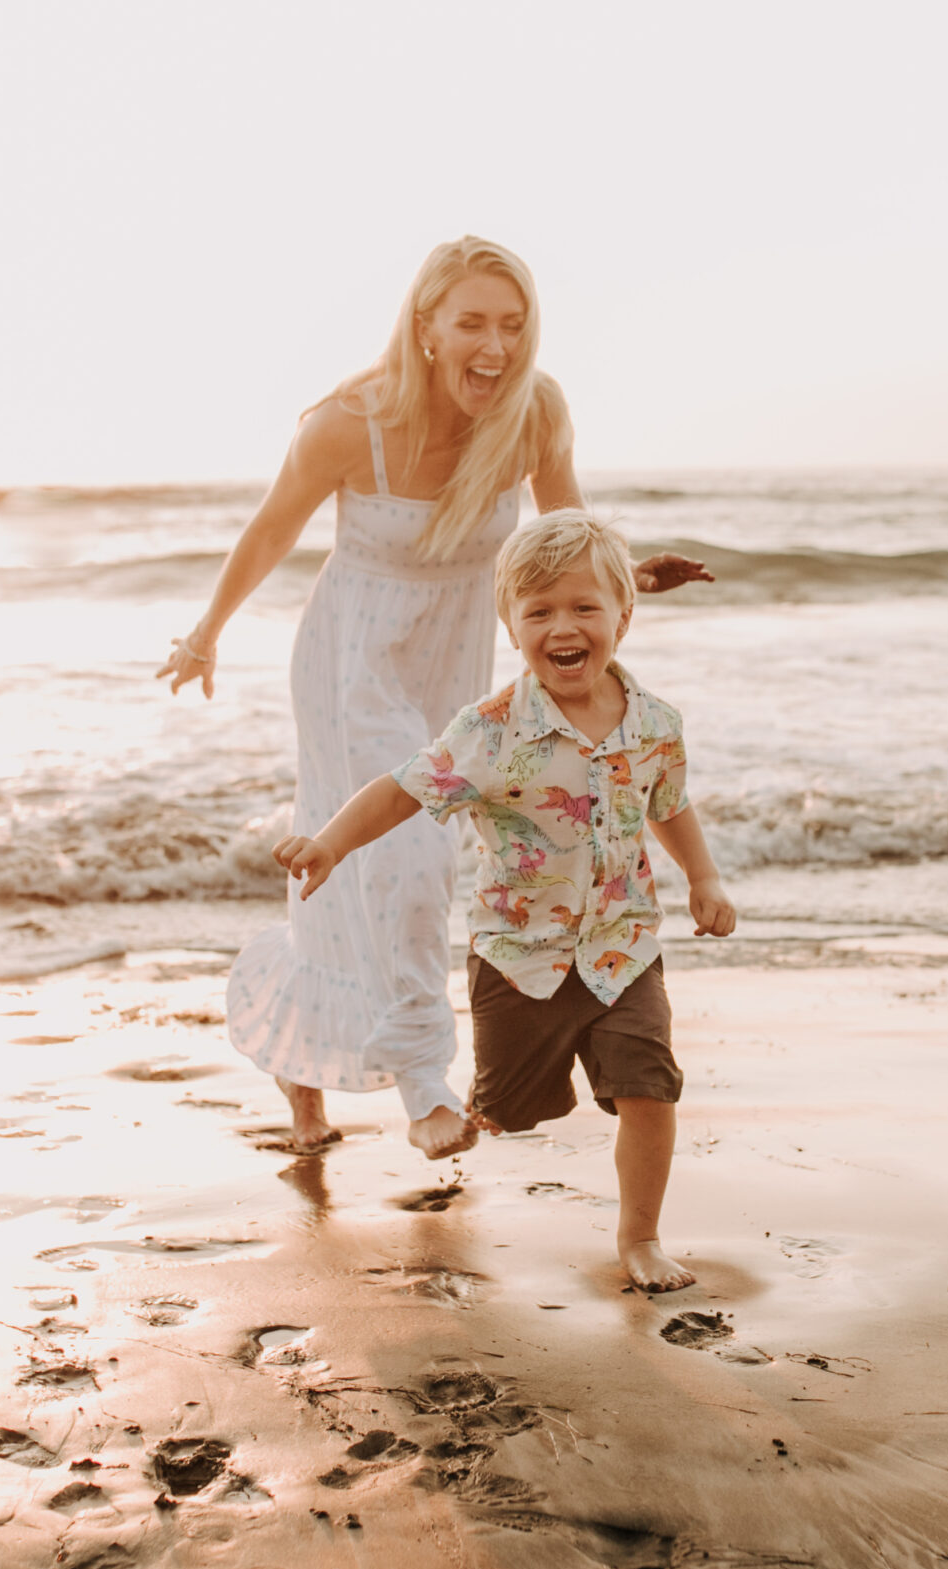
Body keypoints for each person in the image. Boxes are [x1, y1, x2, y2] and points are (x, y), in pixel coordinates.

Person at [157, 237, 707, 1160]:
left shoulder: (533, 414)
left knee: (386, 864)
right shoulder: (347, 423)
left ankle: (305, 1080)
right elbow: (267, 532)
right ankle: (421, 1085)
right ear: (426, 327)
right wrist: (205, 632)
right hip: (351, 657)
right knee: (399, 857)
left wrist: (631, 578)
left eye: (512, 323)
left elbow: (566, 533)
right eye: (472, 322)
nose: (494, 344)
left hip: (452, 653)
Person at [271, 510, 735, 1292]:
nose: (565, 625)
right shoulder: (488, 732)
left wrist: (703, 877)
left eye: (585, 607)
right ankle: (485, 1109)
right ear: (511, 625)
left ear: (624, 614)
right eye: (540, 610)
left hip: (625, 950)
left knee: (649, 1088)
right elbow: (401, 791)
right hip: (519, 958)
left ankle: (641, 1237)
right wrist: (329, 843)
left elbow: (669, 802)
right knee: (518, 1105)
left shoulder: (655, 724)